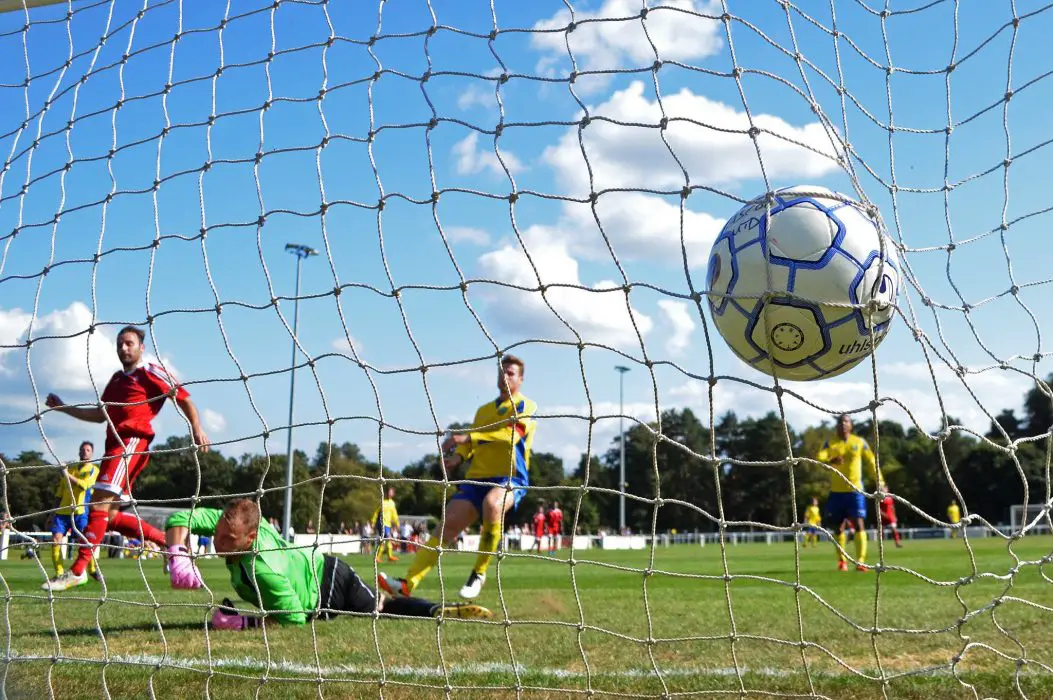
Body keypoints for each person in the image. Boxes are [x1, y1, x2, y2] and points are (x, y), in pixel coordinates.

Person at [41, 325, 210, 592]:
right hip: (114, 447)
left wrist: (196, 427)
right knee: (110, 515)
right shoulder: (117, 380)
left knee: (98, 503)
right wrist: (63, 408)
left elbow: (183, 398)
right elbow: (100, 415)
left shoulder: (151, 372)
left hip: (131, 443)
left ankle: (78, 570)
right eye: (120, 344)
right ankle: (172, 547)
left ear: (141, 347)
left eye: (129, 343)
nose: (123, 348)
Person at [164, 499, 492, 628]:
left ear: (250, 538)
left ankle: (439, 610)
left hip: (332, 583)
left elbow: (293, 618)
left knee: (379, 610)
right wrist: (178, 553)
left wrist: (244, 624)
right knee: (379, 607)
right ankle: (433, 607)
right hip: (319, 572)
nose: (218, 542)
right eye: (217, 534)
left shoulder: (262, 570)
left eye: (227, 540)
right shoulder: (237, 525)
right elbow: (181, 517)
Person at [379, 355, 537, 600]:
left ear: (521, 379)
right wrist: (458, 458)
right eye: (502, 372)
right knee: (448, 523)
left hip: (510, 478)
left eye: (511, 373)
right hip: (477, 479)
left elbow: (510, 436)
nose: (504, 376)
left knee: (493, 505)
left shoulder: (525, 406)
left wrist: (466, 439)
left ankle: (479, 573)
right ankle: (407, 583)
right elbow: (471, 444)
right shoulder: (483, 410)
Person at [816, 413, 877, 572]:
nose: (843, 424)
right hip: (836, 492)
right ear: (836, 425)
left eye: (846, 421)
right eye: (840, 421)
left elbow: (871, 462)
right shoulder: (830, 443)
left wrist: (880, 481)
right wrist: (830, 461)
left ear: (851, 425)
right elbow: (819, 458)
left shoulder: (859, 442)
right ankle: (842, 562)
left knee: (859, 523)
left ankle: (861, 561)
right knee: (838, 527)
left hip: (855, 490)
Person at [49, 441, 100, 580]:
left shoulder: (94, 470)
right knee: (55, 541)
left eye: (88, 450)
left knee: (85, 543)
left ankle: (92, 569)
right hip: (62, 513)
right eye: (83, 449)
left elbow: (84, 485)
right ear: (79, 452)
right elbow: (59, 494)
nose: (85, 452)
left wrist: (65, 474)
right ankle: (59, 573)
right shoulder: (71, 470)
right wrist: (52, 513)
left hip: (80, 513)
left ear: (92, 453)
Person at [371, 487, 400, 563]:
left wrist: (397, 523)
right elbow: (376, 512)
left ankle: (389, 556)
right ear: (386, 493)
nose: (390, 493)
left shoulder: (392, 503)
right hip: (381, 523)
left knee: (387, 540)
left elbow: (394, 514)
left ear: (393, 494)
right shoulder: (382, 502)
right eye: (389, 492)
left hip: (388, 524)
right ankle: (379, 557)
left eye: (391, 492)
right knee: (386, 539)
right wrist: (373, 522)